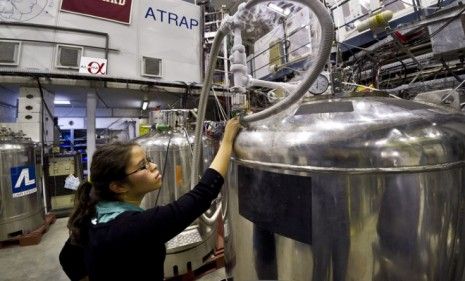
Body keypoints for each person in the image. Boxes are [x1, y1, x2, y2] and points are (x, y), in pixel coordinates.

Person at [59, 117, 241, 281]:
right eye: (143, 166)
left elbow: (67, 259)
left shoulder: (95, 211)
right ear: (118, 186)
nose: (153, 166)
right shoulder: (135, 227)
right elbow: (202, 195)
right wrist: (226, 141)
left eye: (149, 159)